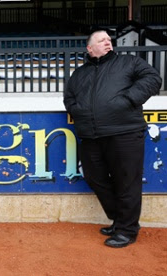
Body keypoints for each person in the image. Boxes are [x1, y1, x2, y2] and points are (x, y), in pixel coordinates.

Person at [64, 30, 162, 248]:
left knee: (127, 182)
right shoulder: (79, 74)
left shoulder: (129, 62)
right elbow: (69, 98)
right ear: (90, 48)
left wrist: (128, 99)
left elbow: (153, 78)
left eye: (109, 39)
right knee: (94, 177)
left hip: (125, 132)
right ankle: (120, 220)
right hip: (91, 136)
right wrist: (78, 110)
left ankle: (127, 230)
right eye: (102, 40)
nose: (108, 42)